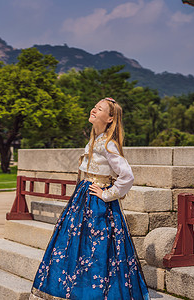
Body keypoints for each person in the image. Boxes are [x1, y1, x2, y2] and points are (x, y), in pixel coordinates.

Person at [29, 97, 150, 300]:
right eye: (94, 106)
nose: (94, 110)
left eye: (99, 109)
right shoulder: (96, 140)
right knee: (79, 243)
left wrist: (107, 194)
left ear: (110, 118)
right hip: (84, 197)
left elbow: (127, 176)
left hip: (97, 201)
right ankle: (81, 289)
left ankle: (97, 292)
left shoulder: (108, 145)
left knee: (97, 245)